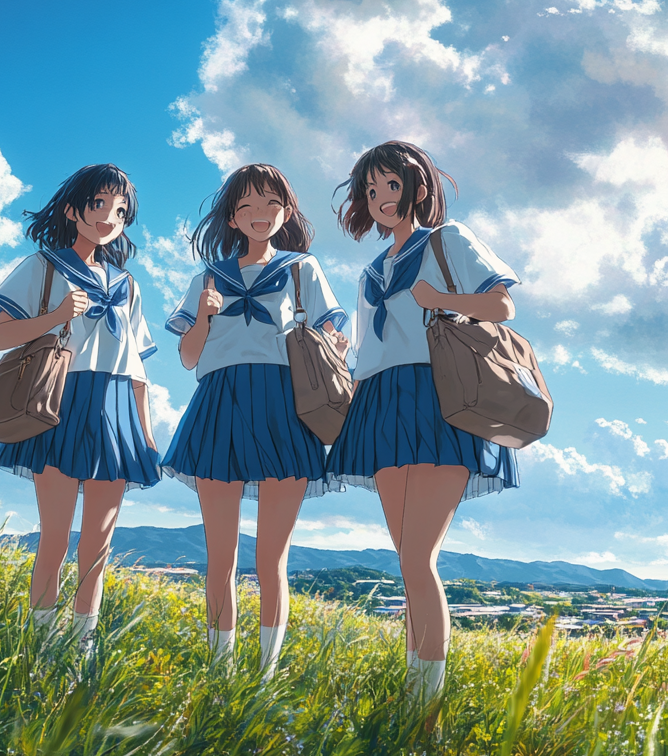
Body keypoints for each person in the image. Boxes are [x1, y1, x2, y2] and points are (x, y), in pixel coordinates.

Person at [324, 141, 521, 706]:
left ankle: (426, 705)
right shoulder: (371, 269)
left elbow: (502, 307)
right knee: (406, 558)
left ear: (417, 185)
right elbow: (366, 350)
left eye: (390, 185)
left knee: (418, 557)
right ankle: (415, 690)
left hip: (438, 394)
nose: (381, 198)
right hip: (380, 400)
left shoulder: (448, 239)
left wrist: (442, 298)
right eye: (370, 189)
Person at [161, 163, 347, 679]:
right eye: (247, 206)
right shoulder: (207, 277)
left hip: (283, 402)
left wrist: (334, 347)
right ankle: (219, 674)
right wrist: (204, 315)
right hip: (219, 401)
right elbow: (187, 357)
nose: (260, 215)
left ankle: (264, 676)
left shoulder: (300, 270)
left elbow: (334, 335)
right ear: (232, 217)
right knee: (220, 557)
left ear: (285, 211)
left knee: (271, 559)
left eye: (271, 204)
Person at [0, 163, 160, 655]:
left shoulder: (129, 284)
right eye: (99, 204)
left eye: (119, 210)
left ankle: (79, 652)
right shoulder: (42, 266)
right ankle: (40, 648)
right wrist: (56, 317)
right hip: (59, 402)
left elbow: (138, 368)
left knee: (97, 548)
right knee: (55, 538)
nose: (109, 217)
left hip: (118, 407)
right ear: (72, 209)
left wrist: (145, 433)